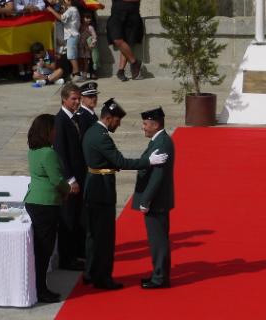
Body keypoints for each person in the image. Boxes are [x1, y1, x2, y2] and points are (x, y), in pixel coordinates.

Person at [81, 98, 167, 290]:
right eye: (117, 121)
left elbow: (105, 160)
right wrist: (148, 162)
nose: (118, 125)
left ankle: (90, 272)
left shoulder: (93, 131)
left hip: (93, 187)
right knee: (104, 238)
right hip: (101, 190)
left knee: (93, 235)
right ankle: (102, 278)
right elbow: (121, 161)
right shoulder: (102, 136)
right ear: (109, 118)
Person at [24, 113, 70, 303]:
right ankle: (41, 289)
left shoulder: (33, 150)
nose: (56, 132)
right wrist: (68, 189)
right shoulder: (48, 153)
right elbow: (57, 179)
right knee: (44, 249)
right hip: (46, 203)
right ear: (48, 131)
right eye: (54, 129)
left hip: (34, 200)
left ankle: (39, 286)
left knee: (41, 248)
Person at [134, 107, 174, 289]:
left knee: (158, 241)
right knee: (157, 240)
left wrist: (145, 200)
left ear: (155, 124)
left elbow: (157, 176)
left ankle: (159, 278)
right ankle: (158, 273)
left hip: (156, 202)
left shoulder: (162, 144)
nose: (143, 127)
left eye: (145, 124)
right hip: (158, 201)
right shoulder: (159, 140)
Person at [53, 83, 85, 271]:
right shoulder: (60, 121)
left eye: (78, 98)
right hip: (70, 179)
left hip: (79, 175)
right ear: (64, 99)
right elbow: (60, 153)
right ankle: (66, 258)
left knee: (76, 216)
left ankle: (75, 253)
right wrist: (70, 179)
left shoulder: (75, 118)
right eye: (73, 99)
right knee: (68, 217)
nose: (77, 102)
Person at [107, 0, 144, 81]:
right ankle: (135, 63)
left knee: (126, 42)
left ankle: (121, 71)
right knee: (117, 39)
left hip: (132, 13)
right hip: (117, 12)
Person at [46, 0, 81, 82]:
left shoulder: (71, 10)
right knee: (71, 55)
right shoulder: (73, 10)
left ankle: (76, 73)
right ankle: (74, 73)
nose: (64, 3)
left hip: (71, 36)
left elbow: (61, 18)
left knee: (71, 55)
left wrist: (51, 10)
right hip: (70, 37)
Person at [78, 10, 97, 80]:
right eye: (87, 17)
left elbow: (94, 37)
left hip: (86, 47)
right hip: (79, 47)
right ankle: (81, 73)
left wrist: (92, 44)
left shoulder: (90, 27)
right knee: (80, 61)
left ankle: (85, 74)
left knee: (86, 62)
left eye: (90, 18)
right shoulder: (79, 26)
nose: (89, 19)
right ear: (82, 18)